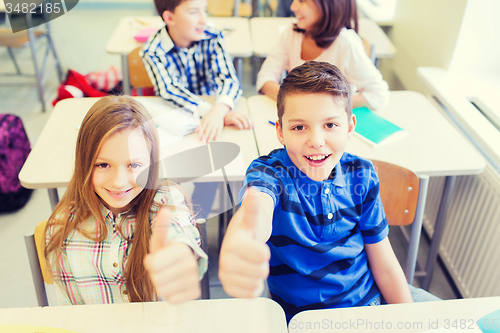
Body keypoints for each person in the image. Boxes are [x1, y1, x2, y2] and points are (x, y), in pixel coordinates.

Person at [219, 61, 439, 322]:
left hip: (371, 300)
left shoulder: (362, 174)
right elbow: (256, 209)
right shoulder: (270, 173)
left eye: (330, 125)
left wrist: (406, 319)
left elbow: (386, 266)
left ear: (349, 126)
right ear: (280, 131)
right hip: (306, 320)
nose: (316, 140)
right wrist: (243, 238)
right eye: (299, 127)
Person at [43, 96, 207, 305]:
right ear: (84, 162)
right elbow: (70, 313)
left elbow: (179, 231)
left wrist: (178, 252)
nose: (119, 182)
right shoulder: (62, 228)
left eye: (134, 165)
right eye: (103, 165)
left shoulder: (166, 202)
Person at [141, 0, 253, 143]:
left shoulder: (213, 37)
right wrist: (214, 114)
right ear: (169, 18)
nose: (203, 20)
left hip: (215, 112)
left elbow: (229, 80)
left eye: (205, 10)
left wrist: (219, 110)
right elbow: (170, 90)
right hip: (177, 118)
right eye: (194, 12)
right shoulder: (152, 50)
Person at [257, 0, 389, 111]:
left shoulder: (346, 44)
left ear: (328, 5)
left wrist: (329, 104)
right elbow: (265, 78)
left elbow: (379, 94)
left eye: (302, 1)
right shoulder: (291, 34)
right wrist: (295, 99)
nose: (293, 7)